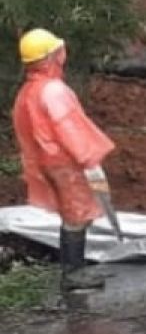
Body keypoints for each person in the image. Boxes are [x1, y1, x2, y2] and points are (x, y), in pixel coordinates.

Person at [12, 29, 114, 291]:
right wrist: (89, 159)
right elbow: (70, 128)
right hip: (64, 163)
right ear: (52, 56)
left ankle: (72, 269)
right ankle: (73, 273)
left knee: (71, 213)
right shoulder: (53, 90)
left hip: (46, 163)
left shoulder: (28, 92)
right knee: (76, 215)